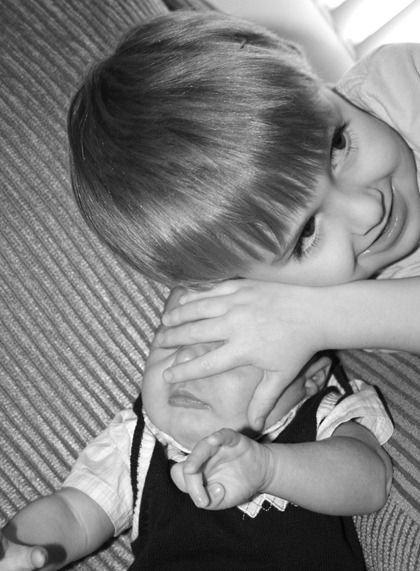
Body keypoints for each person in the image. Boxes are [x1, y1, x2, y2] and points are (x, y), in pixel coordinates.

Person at [67, 11, 420, 429]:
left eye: (337, 145)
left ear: (318, 85)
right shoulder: (327, 301)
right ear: (250, 285)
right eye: (306, 234)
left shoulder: (404, 83)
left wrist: (322, 317)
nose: (369, 210)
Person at [1, 292, 392, 571]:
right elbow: (74, 514)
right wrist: (19, 544)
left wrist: (270, 467)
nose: (186, 359)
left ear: (310, 378)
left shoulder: (321, 415)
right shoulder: (140, 440)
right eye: (172, 341)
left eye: (223, 349)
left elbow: (370, 480)